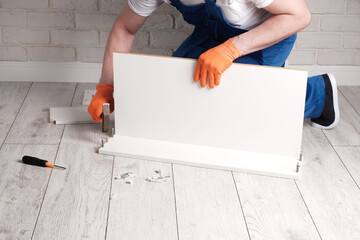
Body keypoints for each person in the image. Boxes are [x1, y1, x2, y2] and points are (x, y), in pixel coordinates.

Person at [88, 0, 340, 129]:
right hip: (212, 35)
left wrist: (232, 50)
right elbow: (125, 28)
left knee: (232, 114)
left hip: (266, 37)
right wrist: (106, 89)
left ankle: (320, 94)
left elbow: (299, 15)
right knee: (174, 97)